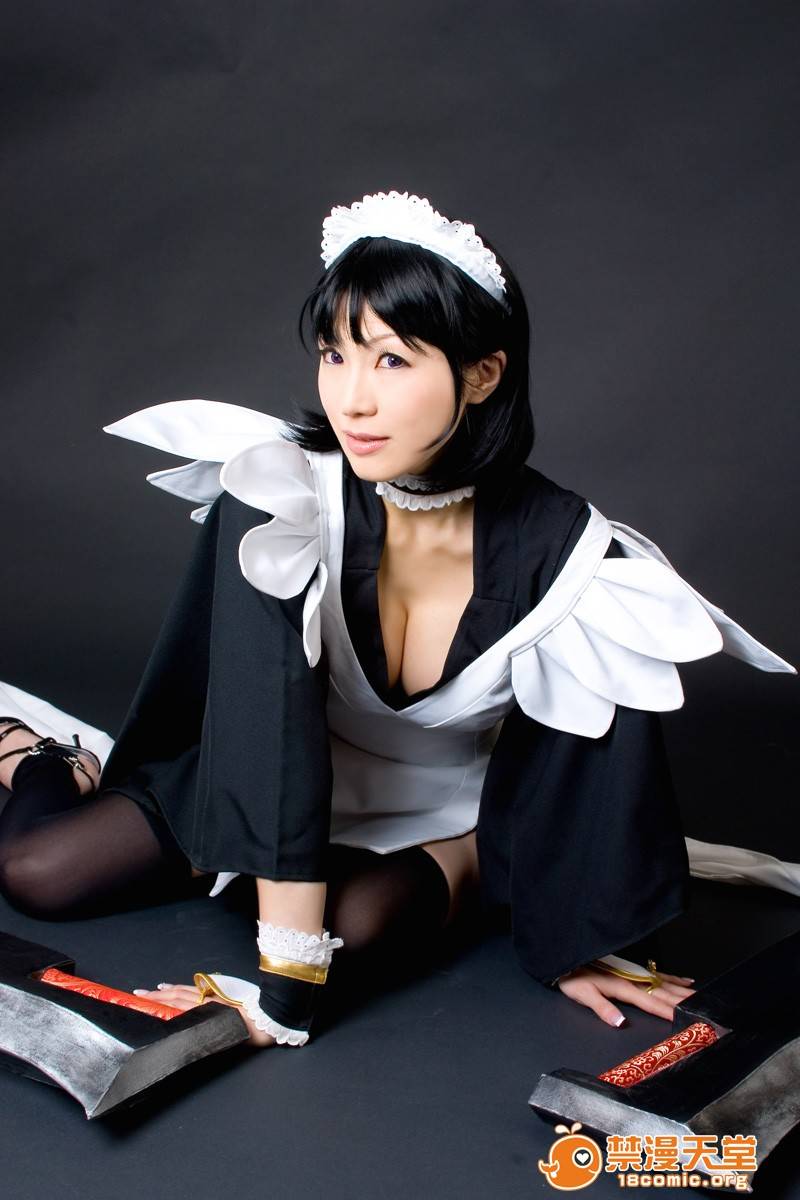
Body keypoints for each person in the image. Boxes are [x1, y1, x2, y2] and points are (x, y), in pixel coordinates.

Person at [0, 190, 793, 1050]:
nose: (352, 400)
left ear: (482, 374)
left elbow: (586, 763)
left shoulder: (567, 555)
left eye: (391, 361)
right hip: (270, 769)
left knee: (359, 929)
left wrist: (571, 927)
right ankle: (47, 758)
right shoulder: (283, 496)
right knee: (39, 871)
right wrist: (288, 981)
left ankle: (471, 861)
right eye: (334, 355)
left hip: (439, 810)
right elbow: (265, 725)